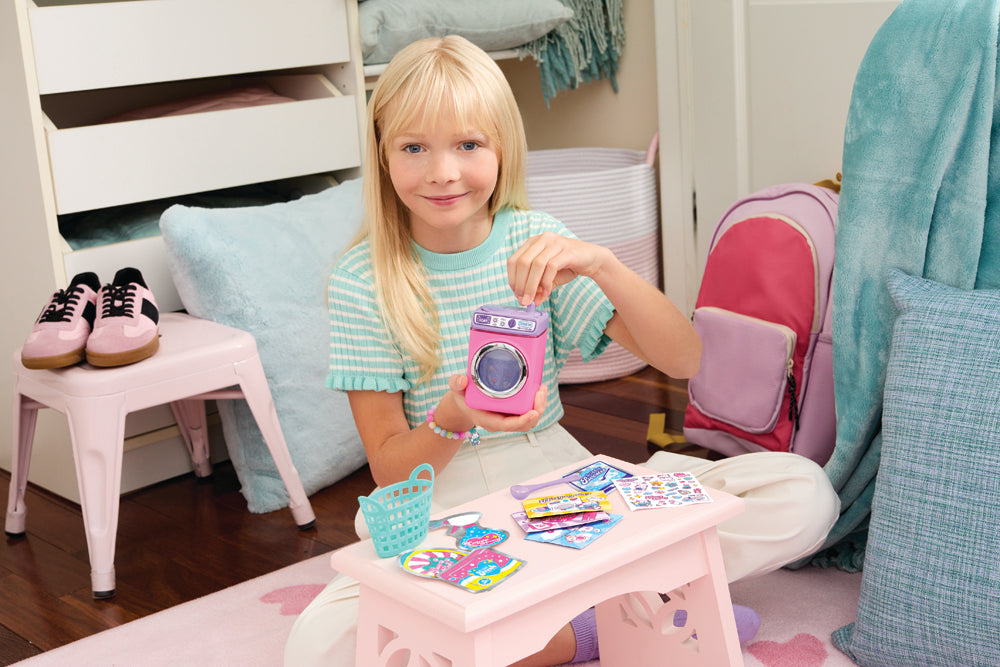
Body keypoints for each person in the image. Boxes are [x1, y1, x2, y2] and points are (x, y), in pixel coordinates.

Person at [285, 35, 840, 666]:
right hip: (444, 500)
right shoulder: (363, 280)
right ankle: (608, 620)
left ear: (503, 148)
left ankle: (549, 615)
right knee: (319, 649)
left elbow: (686, 360)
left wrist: (604, 265)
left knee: (803, 493)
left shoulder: (536, 243)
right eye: (414, 148)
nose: (442, 172)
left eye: (468, 145)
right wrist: (452, 418)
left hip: (558, 483)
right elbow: (390, 470)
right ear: (383, 155)